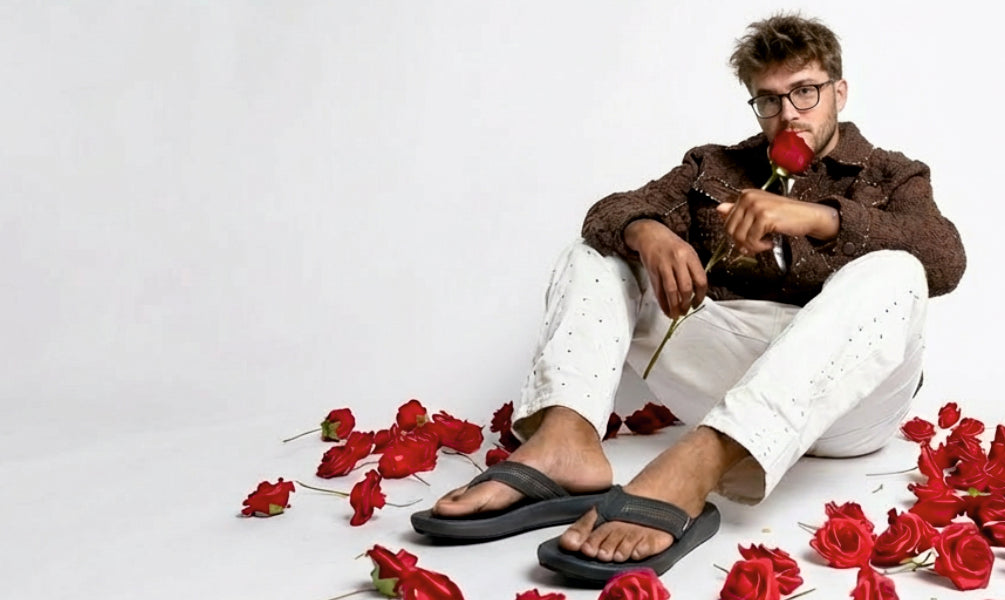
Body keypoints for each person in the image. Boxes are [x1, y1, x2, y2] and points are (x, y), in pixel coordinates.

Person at [410, 12, 966, 583]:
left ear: (839, 92)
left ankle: (700, 462)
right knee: (597, 251)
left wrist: (819, 218)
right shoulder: (716, 165)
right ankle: (565, 439)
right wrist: (645, 233)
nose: (789, 114)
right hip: (725, 371)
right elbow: (609, 210)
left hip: (852, 408)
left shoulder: (892, 175)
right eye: (769, 100)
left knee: (898, 269)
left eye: (805, 92)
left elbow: (947, 258)